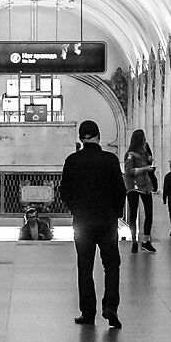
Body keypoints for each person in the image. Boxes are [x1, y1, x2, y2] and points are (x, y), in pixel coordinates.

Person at [58, 119, 125, 328]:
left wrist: (75, 209)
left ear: (80, 138)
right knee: (111, 265)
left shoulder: (72, 160)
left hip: (83, 222)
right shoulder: (110, 160)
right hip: (107, 221)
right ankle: (110, 307)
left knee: (85, 266)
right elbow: (120, 190)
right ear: (99, 136)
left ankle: (88, 311)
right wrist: (116, 213)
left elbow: (64, 191)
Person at [122, 128, 159, 251]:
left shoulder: (144, 152)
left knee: (149, 213)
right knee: (133, 213)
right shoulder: (130, 155)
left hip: (145, 185)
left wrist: (149, 161)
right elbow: (128, 171)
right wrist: (145, 169)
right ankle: (134, 240)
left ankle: (146, 240)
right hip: (134, 186)